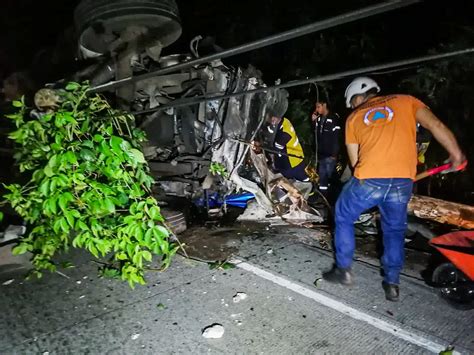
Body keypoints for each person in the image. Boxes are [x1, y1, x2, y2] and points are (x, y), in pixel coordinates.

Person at [322, 77, 465, 302]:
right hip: (402, 181)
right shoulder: (406, 101)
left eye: (352, 102)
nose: (352, 107)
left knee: (343, 215)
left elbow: (355, 161)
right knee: (394, 231)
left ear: (358, 97)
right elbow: (435, 125)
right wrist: (456, 154)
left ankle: (343, 270)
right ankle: (392, 282)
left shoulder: (353, 118)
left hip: (370, 178)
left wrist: (365, 189)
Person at [311, 98, 341, 197]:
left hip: (330, 155)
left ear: (324, 105)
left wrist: (334, 154)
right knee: (322, 176)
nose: (316, 109)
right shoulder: (319, 119)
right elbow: (316, 134)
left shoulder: (333, 118)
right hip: (321, 154)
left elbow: (337, 137)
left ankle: (334, 196)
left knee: (331, 176)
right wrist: (313, 122)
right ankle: (323, 196)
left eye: (318, 106)